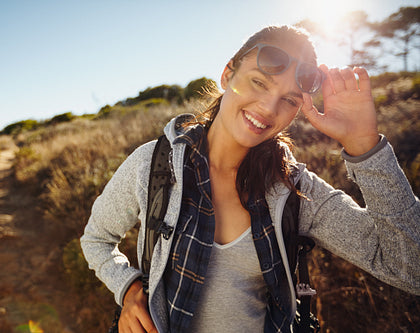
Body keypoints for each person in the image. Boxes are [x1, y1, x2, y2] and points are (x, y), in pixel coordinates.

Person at [80, 25, 420, 332]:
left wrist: (364, 146)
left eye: (289, 100)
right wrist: (129, 289)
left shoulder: (296, 190)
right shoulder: (154, 165)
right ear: (228, 74)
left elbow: (410, 269)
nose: (269, 109)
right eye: (259, 82)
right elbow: (96, 239)